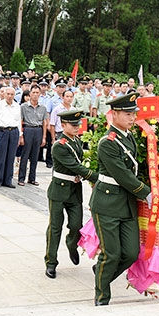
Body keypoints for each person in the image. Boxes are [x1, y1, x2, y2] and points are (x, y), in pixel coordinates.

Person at [90, 92, 151, 306]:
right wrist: (146, 192)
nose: (132, 118)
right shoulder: (108, 142)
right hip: (107, 203)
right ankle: (102, 296)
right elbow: (122, 174)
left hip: (127, 204)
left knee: (131, 253)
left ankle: (101, 273)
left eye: (134, 114)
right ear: (114, 114)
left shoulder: (129, 137)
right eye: (127, 114)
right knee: (111, 254)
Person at [44, 109, 98, 279]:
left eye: (78, 124)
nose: (76, 128)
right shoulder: (59, 146)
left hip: (74, 191)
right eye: (73, 125)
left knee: (76, 225)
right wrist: (96, 177)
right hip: (59, 190)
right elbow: (76, 167)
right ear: (63, 125)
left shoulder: (76, 142)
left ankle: (71, 243)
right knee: (55, 228)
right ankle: (51, 262)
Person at [0, 86, 21, 188]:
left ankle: (8, 180)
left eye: (12, 94)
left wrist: (20, 136)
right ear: (4, 94)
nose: (10, 96)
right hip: (2, 131)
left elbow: (18, 122)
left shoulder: (17, 106)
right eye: (8, 94)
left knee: (10, 157)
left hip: (14, 132)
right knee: (1, 157)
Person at [18, 84, 48, 186]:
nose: (35, 95)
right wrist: (21, 136)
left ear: (40, 94)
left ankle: (32, 178)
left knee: (35, 156)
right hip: (28, 129)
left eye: (37, 93)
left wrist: (44, 137)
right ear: (30, 94)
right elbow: (20, 121)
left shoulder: (43, 108)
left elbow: (45, 123)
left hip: (38, 130)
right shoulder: (23, 106)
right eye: (33, 93)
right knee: (25, 155)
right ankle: (21, 178)